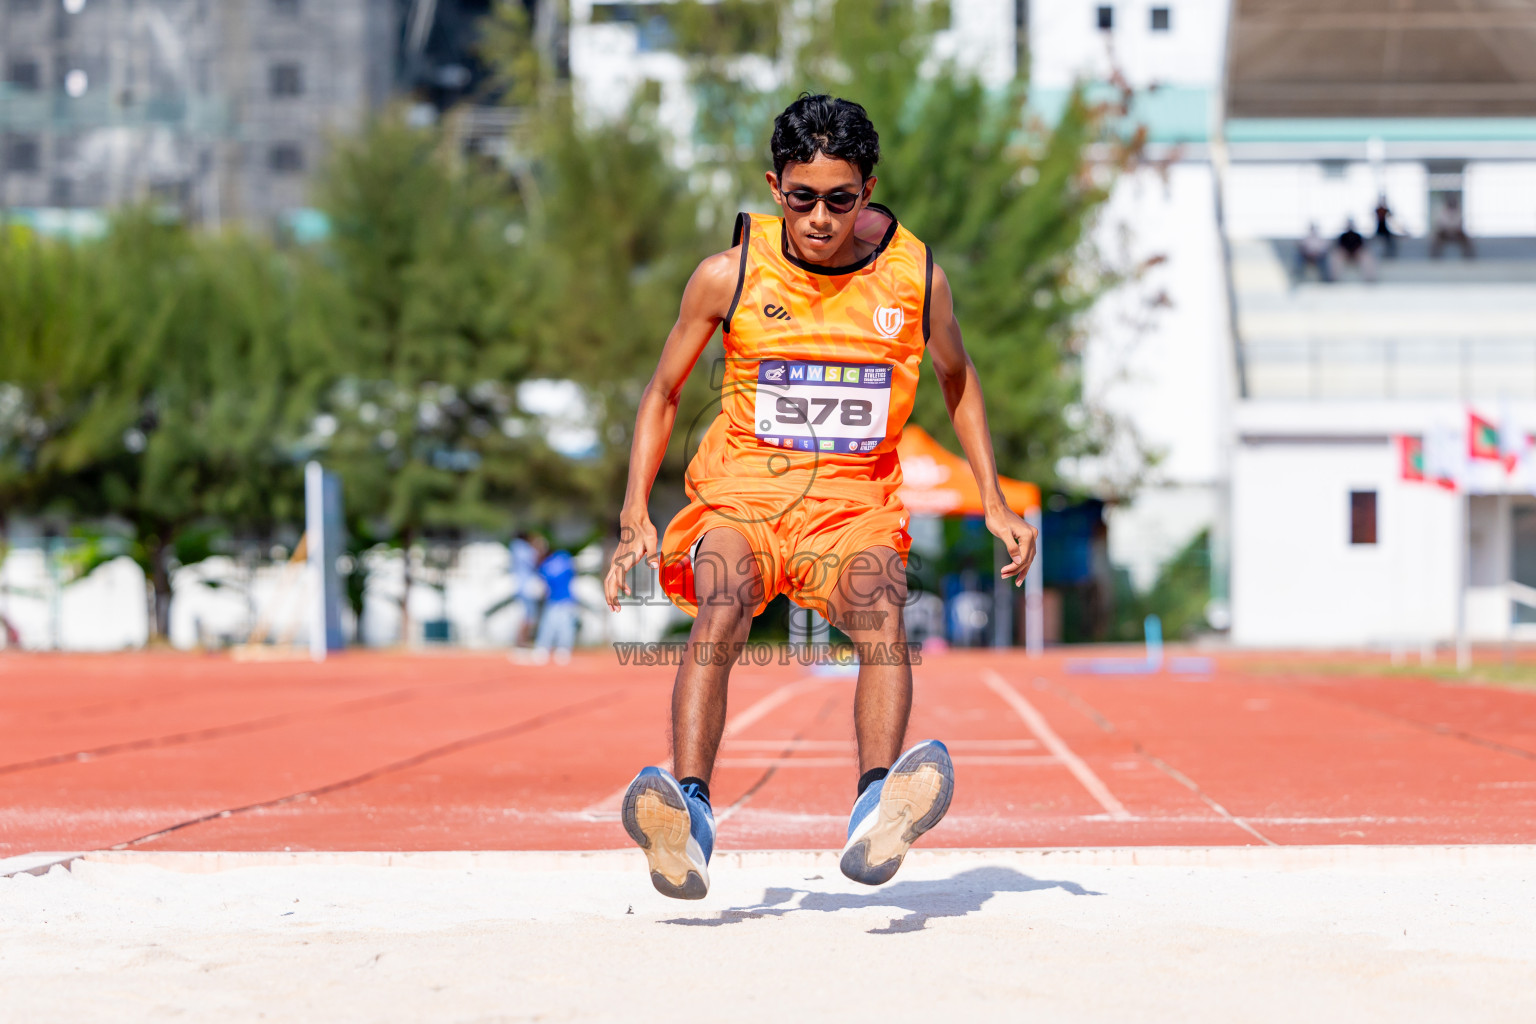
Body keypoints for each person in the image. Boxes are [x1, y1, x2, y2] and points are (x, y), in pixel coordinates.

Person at [603, 94, 1037, 899]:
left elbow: (957, 376)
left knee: (882, 614)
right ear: (775, 187)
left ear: (868, 190)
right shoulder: (726, 276)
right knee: (723, 604)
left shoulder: (916, 278)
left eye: (840, 199)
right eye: (802, 198)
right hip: (744, 493)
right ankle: (689, 817)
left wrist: (994, 498)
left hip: (853, 504)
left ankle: (878, 803)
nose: (820, 218)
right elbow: (662, 393)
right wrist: (635, 513)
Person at [531, 545, 578, 664]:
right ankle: (558, 650)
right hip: (560, 599)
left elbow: (544, 586)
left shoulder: (545, 566)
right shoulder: (563, 556)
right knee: (558, 627)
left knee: (554, 626)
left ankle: (546, 649)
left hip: (560, 599)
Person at [508, 532, 545, 648]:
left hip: (520, 585)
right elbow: (535, 561)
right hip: (527, 586)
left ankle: (521, 642)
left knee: (526, 616)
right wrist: (538, 546)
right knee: (529, 616)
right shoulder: (523, 549)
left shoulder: (515, 548)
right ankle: (521, 642)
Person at [1430, 194, 1474, 259]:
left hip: (1456, 232)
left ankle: (1468, 257)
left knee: (1466, 240)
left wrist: (1453, 229)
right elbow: (1440, 224)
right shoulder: (1442, 212)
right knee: (1436, 239)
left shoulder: (1459, 212)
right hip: (1445, 233)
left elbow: (1459, 224)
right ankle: (1434, 257)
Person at [1373, 194, 1397, 259]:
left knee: (1390, 241)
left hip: (1384, 228)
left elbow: (1391, 216)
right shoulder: (1378, 209)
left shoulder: (1386, 209)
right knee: (1375, 242)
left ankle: (1389, 255)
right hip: (1379, 228)